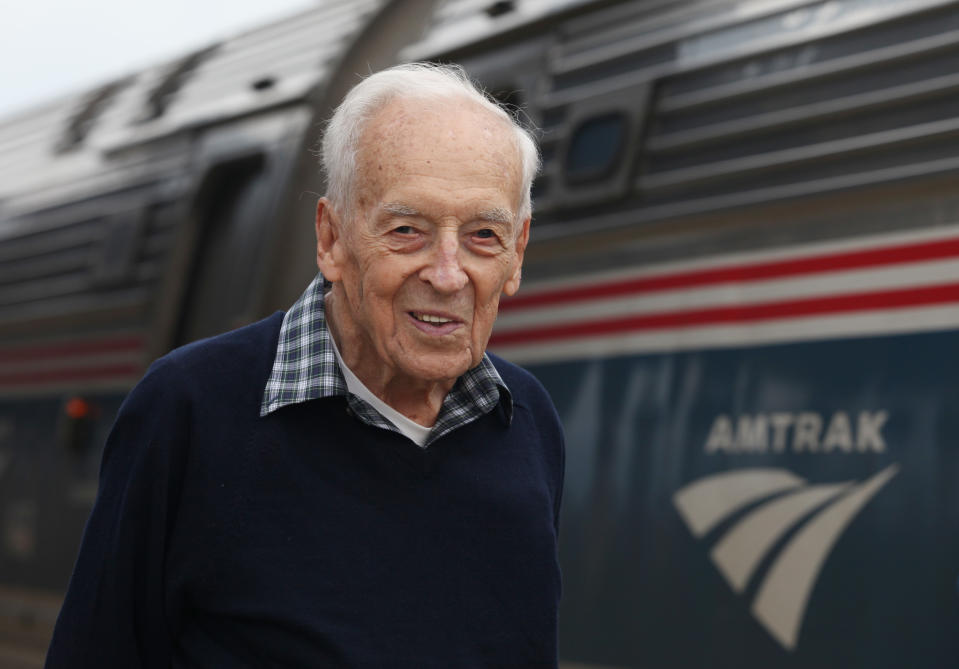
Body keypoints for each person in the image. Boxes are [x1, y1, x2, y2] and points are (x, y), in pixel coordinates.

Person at [45, 63, 565, 668]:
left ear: (517, 251)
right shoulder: (191, 407)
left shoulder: (525, 422)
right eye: (406, 230)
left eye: (482, 235)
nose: (448, 275)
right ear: (332, 238)